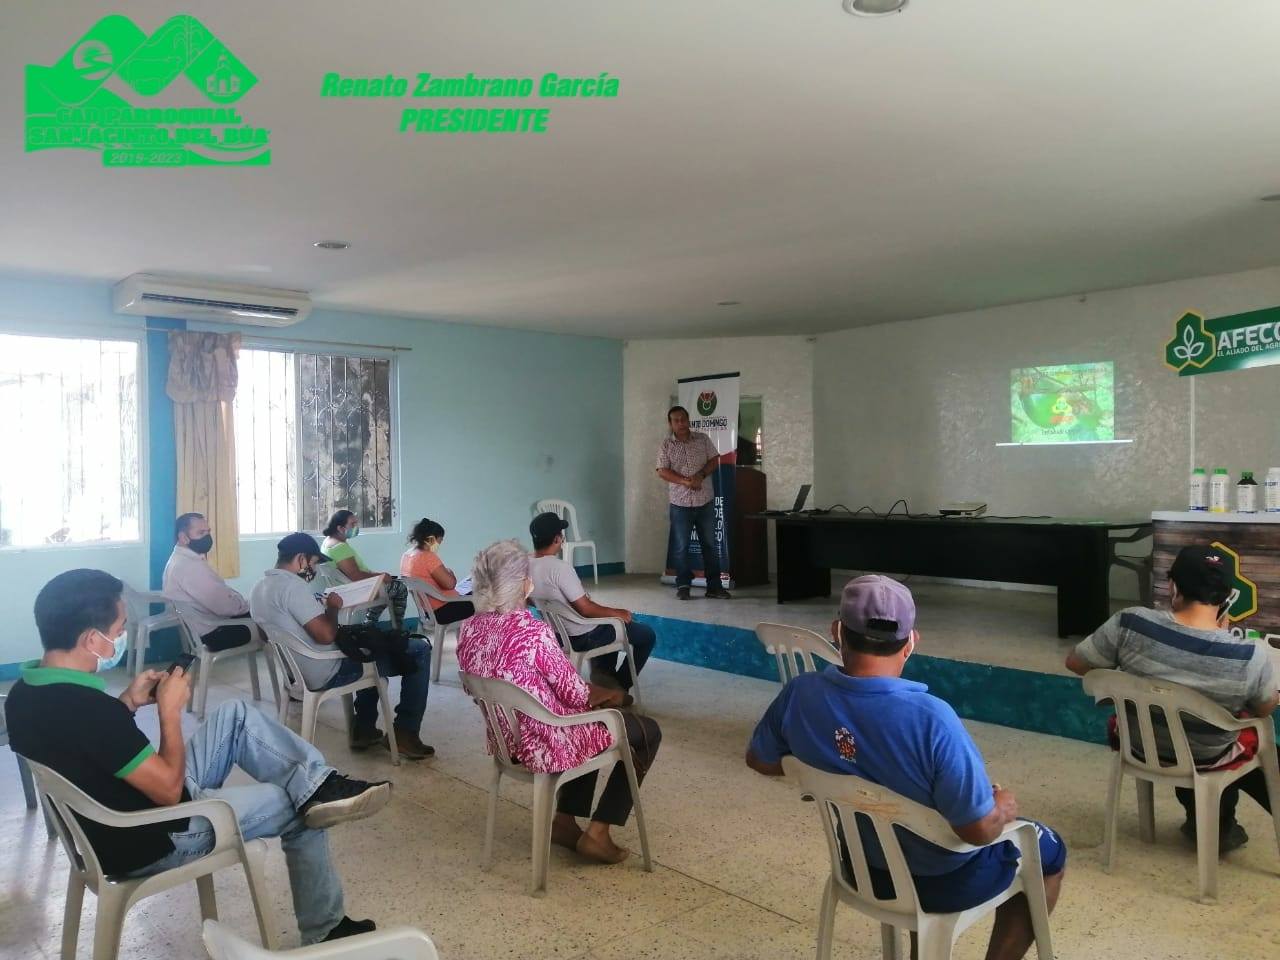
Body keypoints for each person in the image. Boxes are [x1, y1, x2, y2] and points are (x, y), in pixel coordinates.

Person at [5, 568, 391, 945]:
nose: (122, 635)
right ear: (92, 639)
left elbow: (86, 745)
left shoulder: (24, 695)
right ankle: (325, 928)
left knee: (235, 715)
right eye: (119, 628)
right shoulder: (90, 711)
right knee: (295, 802)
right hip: (153, 836)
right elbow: (169, 792)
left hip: (109, 827)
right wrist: (169, 712)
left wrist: (127, 703)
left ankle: (319, 783)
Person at [747, 576, 1065, 960]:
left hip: (861, 869)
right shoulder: (932, 720)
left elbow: (760, 759)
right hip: (941, 883)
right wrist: (1002, 806)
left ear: (836, 631)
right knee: (1049, 851)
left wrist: (823, 766)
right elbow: (977, 831)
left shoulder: (800, 693)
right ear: (911, 642)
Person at [457, 539, 662, 864]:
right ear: (523, 584)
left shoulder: (468, 630)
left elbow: (477, 687)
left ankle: (565, 822)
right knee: (645, 731)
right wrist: (611, 694)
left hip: (505, 740)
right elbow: (576, 694)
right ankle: (599, 833)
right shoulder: (532, 632)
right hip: (545, 744)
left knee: (587, 717)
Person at [1066, 544, 1277, 852]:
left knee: (1195, 729)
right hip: (1208, 755)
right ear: (1227, 597)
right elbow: (1265, 707)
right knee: (1252, 737)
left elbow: (1076, 663)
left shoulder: (1130, 623)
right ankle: (1218, 828)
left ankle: (1215, 826)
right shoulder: (1248, 655)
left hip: (1139, 743)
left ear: (1173, 586)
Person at [250, 533, 435, 760]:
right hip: (326, 670)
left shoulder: (259, 588)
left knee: (367, 647)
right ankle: (406, 732)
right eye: (313, 563)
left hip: (297, 672)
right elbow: (326, 635)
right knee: (417, 649)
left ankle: (364, 729)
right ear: (301, 559)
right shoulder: (292, 587)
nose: (313, 569)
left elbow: (265, 634)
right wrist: (333, 607)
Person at [528, 511, 655, 692]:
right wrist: (619, 613)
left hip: (557, 634)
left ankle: (604, 671)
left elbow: (530, 600)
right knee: (646, 634)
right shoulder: (559, 568)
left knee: (607, 620)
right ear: (557, 539)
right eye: (561, 535)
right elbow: (585, 609)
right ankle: (620, 686)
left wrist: (553, 606)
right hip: (581, 637)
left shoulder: (525, 564)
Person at [655, 405, 730, 601]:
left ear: (688, 420)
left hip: (704, 501)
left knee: (710, 546)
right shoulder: (666, 445)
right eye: (676, 420)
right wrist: (685, 481)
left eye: (683, 419)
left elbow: (714, 459)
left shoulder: (702, 439)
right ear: (670, 423)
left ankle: (714, 586)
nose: (680, 423)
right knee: (681, 547)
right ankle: (683, 585)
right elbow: (662, 470)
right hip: (680, 504)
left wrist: (700, 476)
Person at [163, 512, 254, 652]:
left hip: (202, 630)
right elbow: (226, 607)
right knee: (269, 618)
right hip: (216, 633)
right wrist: (247, 604)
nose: (207, 537)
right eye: (201, 533)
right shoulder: (190, 567)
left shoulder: (177, 559)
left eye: (208, 532)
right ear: (183, 537)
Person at [321, 509, 407, 628]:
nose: (356, 527)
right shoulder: (339, 547)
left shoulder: (328, 542)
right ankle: (398, 629)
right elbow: (356, 575)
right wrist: (381, 576)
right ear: (340, 528)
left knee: (388, 588)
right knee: (400, 588)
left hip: (347, 588)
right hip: (356, 590)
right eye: (352, 524)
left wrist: (378, 577)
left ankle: (369, 625)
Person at [400, 517, 474, 626]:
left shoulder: (407, 556)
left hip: (427, 612)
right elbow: (450, 584)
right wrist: (450, 573)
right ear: (432, 539)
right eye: (440, 540)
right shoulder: (427, 556)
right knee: (485, 599)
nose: (439, 544)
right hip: (444, 610)